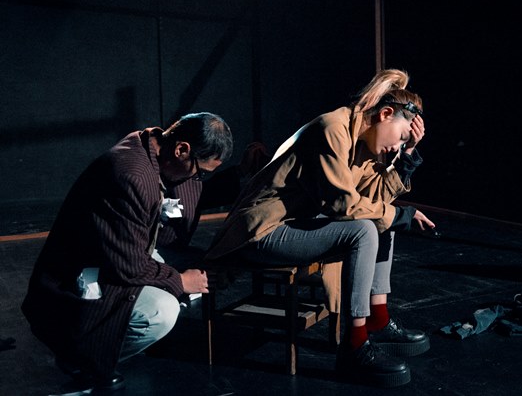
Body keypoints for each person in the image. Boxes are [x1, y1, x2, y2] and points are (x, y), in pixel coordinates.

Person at [204, 69, 435, 388]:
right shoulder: (332, 129)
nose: (396, 147)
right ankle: (354, 346)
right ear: (384, 114)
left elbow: (375, 200)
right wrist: (400, 214)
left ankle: (377, 318)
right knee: (366, 229)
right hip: (261, 230)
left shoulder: (363, 141)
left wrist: (407, 157)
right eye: (401, 138)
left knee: (383, 221)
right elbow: (342, 204)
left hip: (295, 225)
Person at [21, 112, 233, 392]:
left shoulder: (156, 150)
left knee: (205, 266)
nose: (198, 178)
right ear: (181, 149)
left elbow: (194, 198)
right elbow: (128, 265)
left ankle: (115, 337)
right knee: (161, 312)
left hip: (125, 253)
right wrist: (180, 281)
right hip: (86, 275)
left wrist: (243, 174)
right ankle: (83, 357)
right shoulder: (130, 174)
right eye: (201, 172)